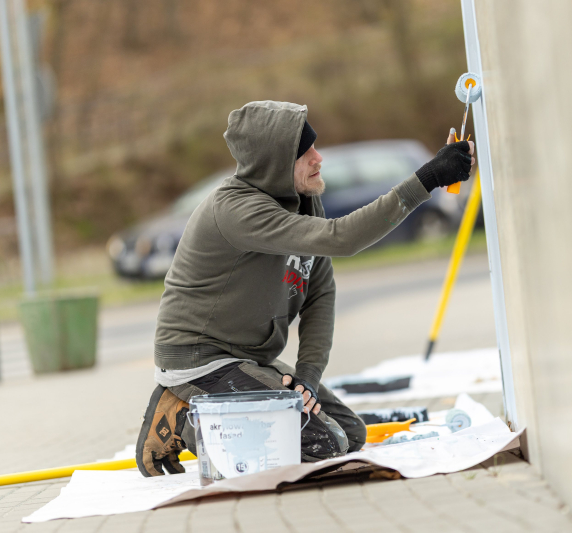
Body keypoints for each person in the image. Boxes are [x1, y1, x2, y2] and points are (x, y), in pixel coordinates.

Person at [135, 100, 475, 476]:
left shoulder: (304, 202)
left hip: (246, 359)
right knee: (323, 445)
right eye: (304, 152)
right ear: (273, 164)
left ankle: (229, 402)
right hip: (201, 360)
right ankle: (182, 416)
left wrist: (307, 380)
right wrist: (426, 178)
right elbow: (342, 238)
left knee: (350, 433)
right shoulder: (237, 210)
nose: (318, 158)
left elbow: (320, 294)